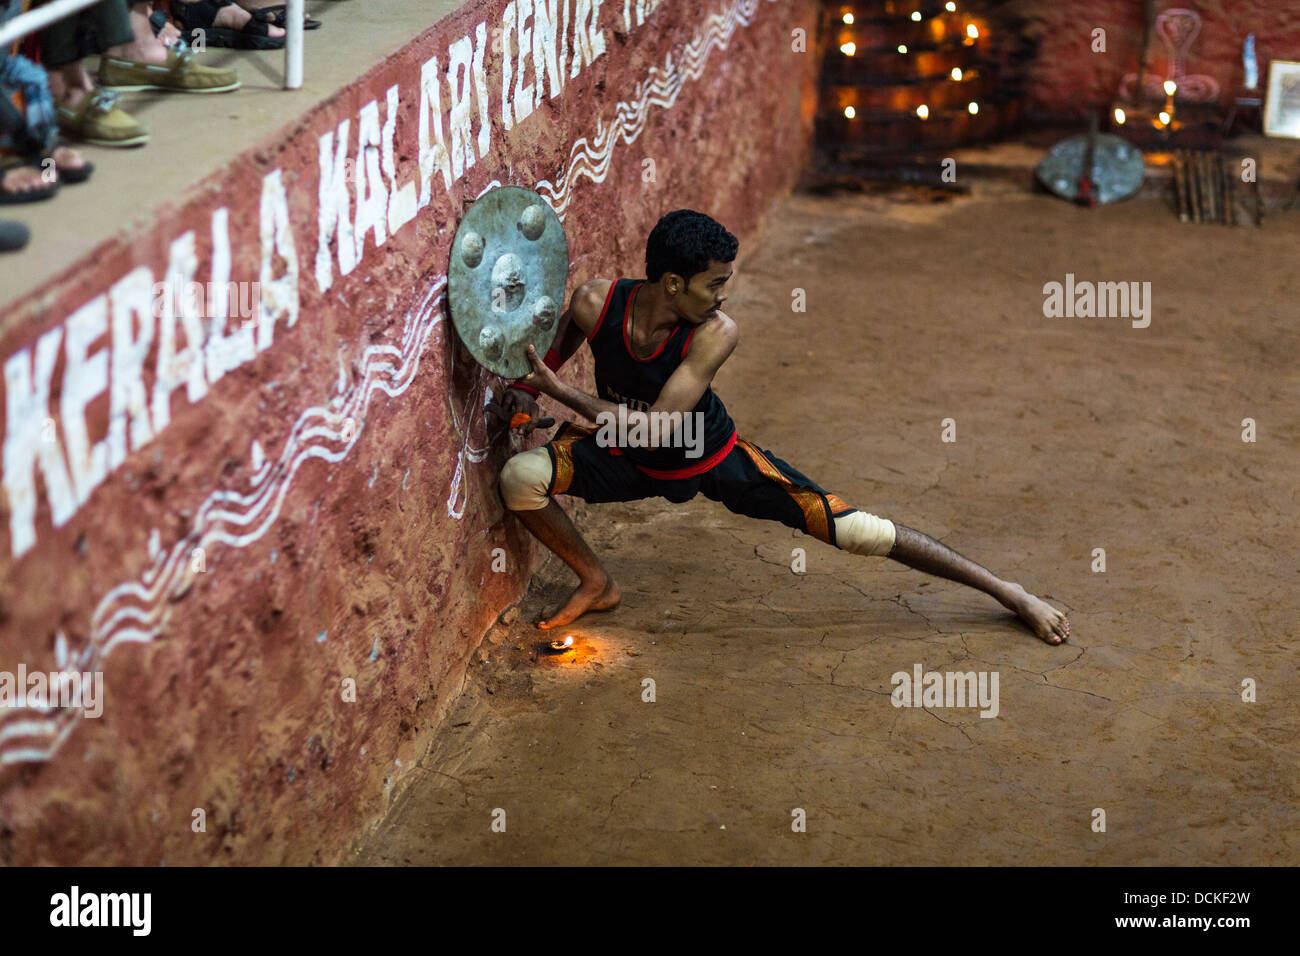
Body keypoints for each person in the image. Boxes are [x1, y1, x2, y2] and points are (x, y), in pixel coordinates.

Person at [497, 210, 1072, 645]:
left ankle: (1007, 591)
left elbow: (658, 428)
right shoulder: (594, 303)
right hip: (623, 454)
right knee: (520, 477)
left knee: (857, 532)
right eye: (714, 284)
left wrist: (561, 393)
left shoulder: (716, 333)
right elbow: (555, 350)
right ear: (673, 283)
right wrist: (526, 393)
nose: (724, 296)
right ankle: (597, 581)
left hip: (708, 457)